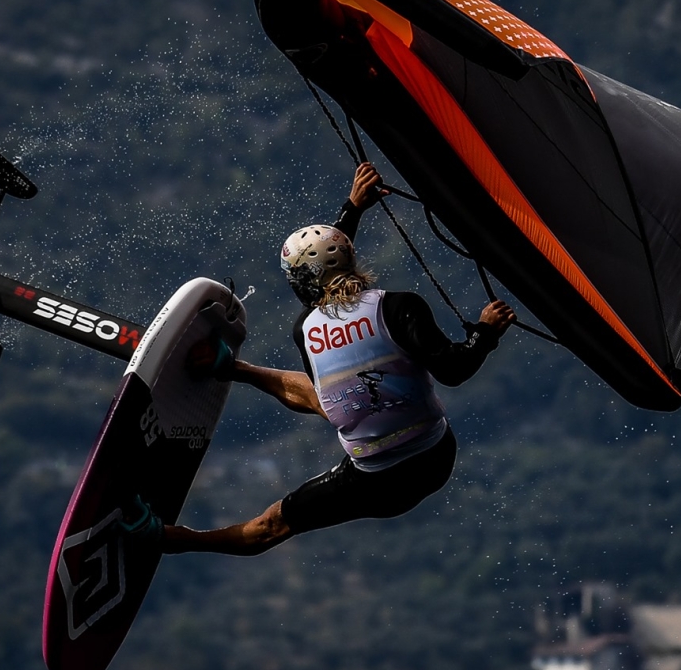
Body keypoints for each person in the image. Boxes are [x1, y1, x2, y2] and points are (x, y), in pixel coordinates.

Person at [125, 161, 514, 555]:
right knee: (338, 393)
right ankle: (231, 369)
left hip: (376, 480)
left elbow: (320, 280)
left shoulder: (306, 330)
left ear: (300, 283)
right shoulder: (400, 307)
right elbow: (455, 367)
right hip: (433, 459)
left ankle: (166, 538)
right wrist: (484, 333)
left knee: (271, 525)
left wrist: (352, 208)